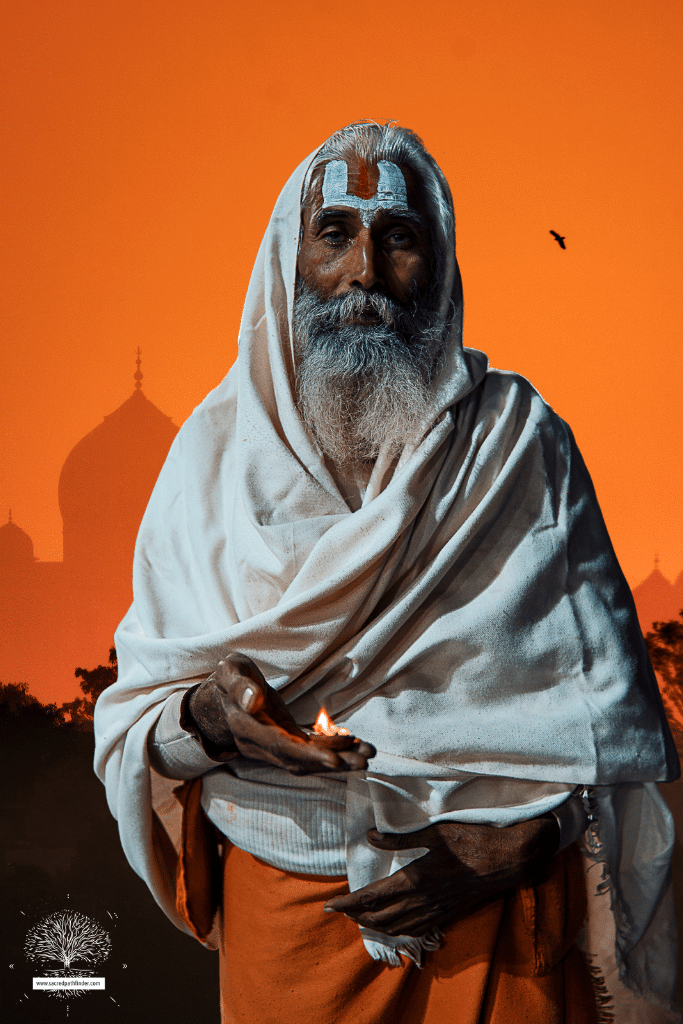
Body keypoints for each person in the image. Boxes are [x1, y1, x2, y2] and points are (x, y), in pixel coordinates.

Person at [95, 122, 680, 1023]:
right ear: (289, 262)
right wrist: (212, 722)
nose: (365, 270)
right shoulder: (207, 466)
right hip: (287, 930)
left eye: (397, 237)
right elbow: (141, 728)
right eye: (335, 235)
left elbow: (612, 736)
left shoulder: (518, 446)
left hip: (492, 928)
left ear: (437, 267)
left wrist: (528, 837)